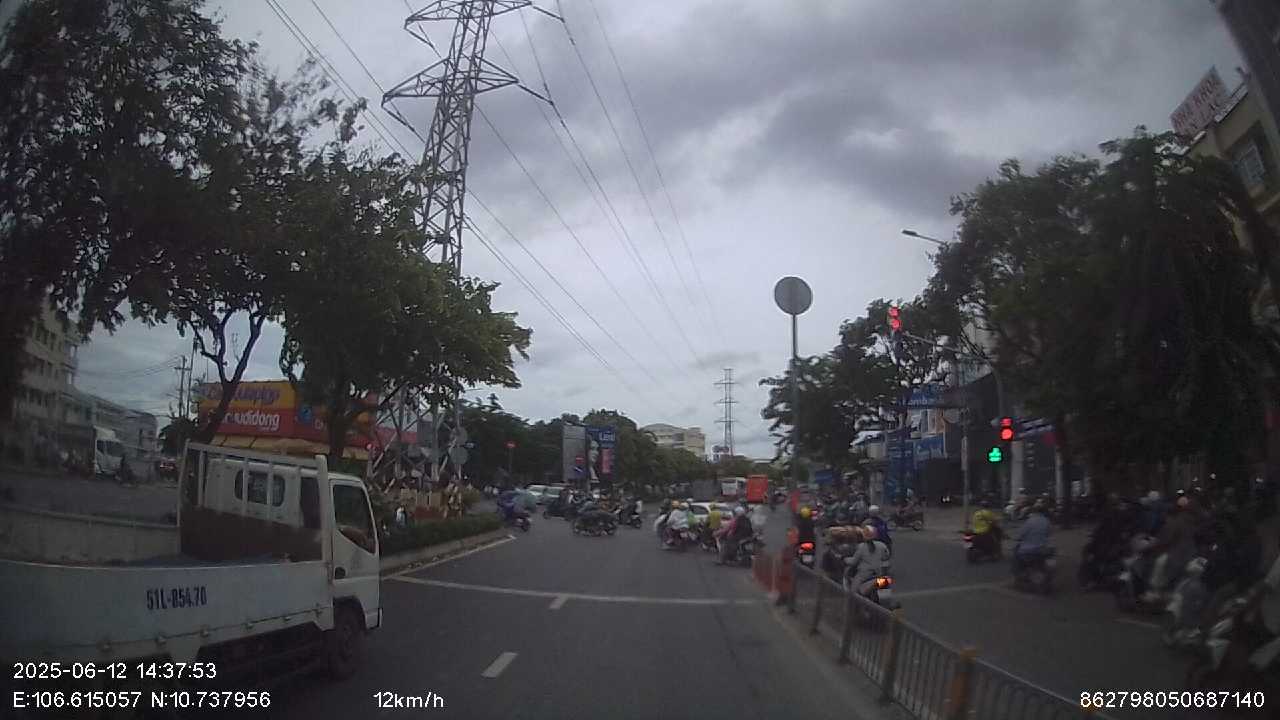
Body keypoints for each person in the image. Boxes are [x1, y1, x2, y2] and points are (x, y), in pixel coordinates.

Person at [846, 525, 892, 596]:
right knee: (887, 580)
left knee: (853, 593)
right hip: (881, 576)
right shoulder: (882, 545)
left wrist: (846, 560)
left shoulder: (861, 547)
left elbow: (853, 562)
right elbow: (886, 558)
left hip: (864, 576)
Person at [1013, 498, 1052, 574]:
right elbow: (1049, 533)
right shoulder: (1046, 521)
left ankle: (1018, 574)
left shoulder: (1029, 521)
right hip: (1042, 548)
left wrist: (1017, 538)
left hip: (1027, 549)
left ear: (1034, 511)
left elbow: (1021, 534)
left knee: (1016, 554)